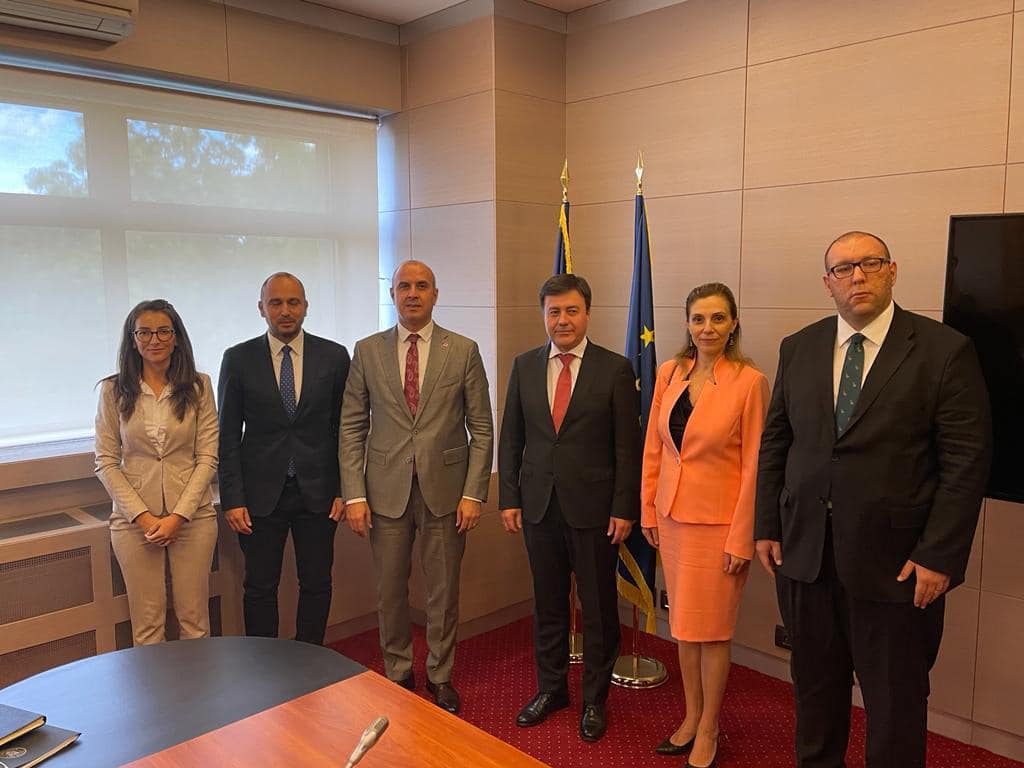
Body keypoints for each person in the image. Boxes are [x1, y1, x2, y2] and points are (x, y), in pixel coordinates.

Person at [754, 231, 992, 768]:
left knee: (894, 706)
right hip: (807, 559)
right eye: (843, 269)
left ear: (892, 271)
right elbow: (777, 442)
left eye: (870, 263)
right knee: (815, 694)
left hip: (897, 568)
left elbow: (966, 463)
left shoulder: (943, 350)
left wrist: (939, 555)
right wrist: (767, 523)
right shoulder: (799, 346)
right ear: (828, 283)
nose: (856, 276)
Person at [340, 260, 493, 714]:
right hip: (384, 492)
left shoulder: (462, 349)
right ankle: (399, 671)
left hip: (446, 492)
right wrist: (354, 494)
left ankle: (441, 676)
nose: (412, 293)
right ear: (392, 294)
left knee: (443, 592)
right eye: (404, 286)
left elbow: (482, 428)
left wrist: (473, 493)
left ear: (435, 294)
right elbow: (351, 427)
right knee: (390, 591)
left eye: (421, 286)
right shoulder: (367, 351)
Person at [498, 273, 641, 743]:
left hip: (596, 511)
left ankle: (595, 699)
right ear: (544, 315)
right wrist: (509, 498)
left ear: (587, 314)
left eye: (571, 311)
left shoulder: (615, 369)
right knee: (548, 604)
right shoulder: (524, 366)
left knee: (598, 608)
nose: (562, 320)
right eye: (554, 311)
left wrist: (624, 507)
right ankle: (552, 689)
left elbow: (628, 448)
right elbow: (512, 437)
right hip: (539, 506)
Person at [640, 283, 769, 768]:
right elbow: (655, 448)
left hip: (719, 528)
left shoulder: (750, 382)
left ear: (733, 323)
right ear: (687, 324)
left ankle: (710, 726)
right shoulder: (670, 372)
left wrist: (742, 536)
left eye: (718, 318)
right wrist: (649, 509)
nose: (707, 328)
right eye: (698, 319)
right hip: (672, 519)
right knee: (684, 627)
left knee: (712, 631)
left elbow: (756, 466)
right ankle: (691, 716)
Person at [218, 272, 350, 645]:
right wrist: (233, 498)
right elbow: (227, 435)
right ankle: (265, 665)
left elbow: (347, 429)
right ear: (262, 308)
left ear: (306, 307)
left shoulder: (334, 356)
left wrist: (344, 489)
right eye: (275, 303)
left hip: (319, 492)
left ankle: (311, 659)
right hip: (259, 496)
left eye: (293, 302)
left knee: (317, 582)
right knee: (259, 586)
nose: (285, 311)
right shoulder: (238, 359)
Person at [95, 299, 218, 645]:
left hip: (192, 518)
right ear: (133, 340)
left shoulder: (199, 386)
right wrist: (144, 518)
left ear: (176, 337)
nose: (154, 339)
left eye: (164, 331)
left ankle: (197, 682)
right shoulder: (113, 390)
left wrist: (178, 516)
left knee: (195, 622)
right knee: (147, 627)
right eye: (144, 332)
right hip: (135, 522)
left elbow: (208, 457)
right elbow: (106, 460)